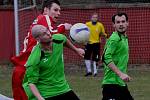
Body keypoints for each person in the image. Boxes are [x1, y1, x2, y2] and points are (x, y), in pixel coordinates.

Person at [11, 0, 72, 100]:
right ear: (46, 10)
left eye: (60, 11)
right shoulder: (44, 17)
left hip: (22, 71)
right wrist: (63, 26)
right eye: (55, 10)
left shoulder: (39, 24)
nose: (58, 13)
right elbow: (52, 33)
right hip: (25, 72)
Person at [23, 25, 84, 100]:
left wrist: (76, 50)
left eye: (47, 30)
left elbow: (64, 39)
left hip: (63, 88)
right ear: (38, 39)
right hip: (47, 93)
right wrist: (40, 98)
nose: (49, 34)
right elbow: (31, 83)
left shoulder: (57, 39)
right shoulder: (35, 59)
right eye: (44, 34)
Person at [101, 12, 134, 100]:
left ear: (127, 23)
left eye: (123, 21)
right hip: (111, 84)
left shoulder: (124, 38)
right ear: (113, 25)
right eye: (118, 22)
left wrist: (122, 75)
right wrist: (120, 74)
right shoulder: (114, 39)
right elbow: (105, 57)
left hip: (120, 84)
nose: (121, 24)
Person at [84, 12, 108, 77]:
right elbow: (83, 32)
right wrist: (84, 41)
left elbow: (103, 33)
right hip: (88, 43)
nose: (95, 18)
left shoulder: (100, 25)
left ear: (97, 18)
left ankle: (95, 72)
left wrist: (106, 37)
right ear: (91, 18)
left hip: (96, 44)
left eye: (96, 17)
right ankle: (89, 71)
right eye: (93, 17)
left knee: (95, 58)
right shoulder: (87, 24)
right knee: (86, 57)